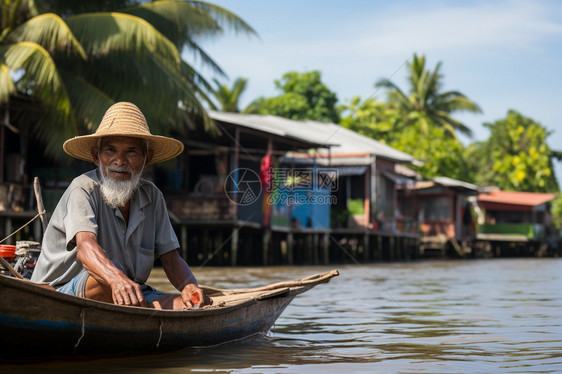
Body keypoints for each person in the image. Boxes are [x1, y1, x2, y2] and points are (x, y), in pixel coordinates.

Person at [31, 102, 212, 310]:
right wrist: (116, 279)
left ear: (147, 159)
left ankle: (148, 307)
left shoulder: (152, 196)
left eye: (132, 152)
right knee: (108, 277)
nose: (119, 160)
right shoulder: (82, 189)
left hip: (129, 289)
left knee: (188, 304)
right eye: (110, 150)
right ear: (95, 156)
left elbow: (170, 258)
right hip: (58, 292)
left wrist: (189, 286)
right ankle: (139, 304)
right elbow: (85, 247)